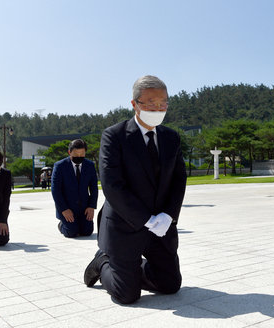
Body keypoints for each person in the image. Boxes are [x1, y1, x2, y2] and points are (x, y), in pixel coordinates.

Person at [83, 75, 187, 304]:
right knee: (126, 295)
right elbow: (112, 186)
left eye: (163, 103)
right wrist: (145, 219)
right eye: (150, 103)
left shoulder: (171, 137)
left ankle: (128, 270)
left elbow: (179, 179)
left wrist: (168, 215)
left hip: (160, 225)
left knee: (170, 285)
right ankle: (103, 262)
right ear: (134, 104)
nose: (158, 108)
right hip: (125, 224)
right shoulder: (114, 136)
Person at [51, 139, 99, 238]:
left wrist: (91, 206)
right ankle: (61, 225)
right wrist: (64, 209)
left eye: (82, 154)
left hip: (84, 208)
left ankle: (79, 224)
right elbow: (56, 191)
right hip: (67, 208)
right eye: (76, 155)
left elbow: (94, 187)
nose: (79, 157)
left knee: (87, 231)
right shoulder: (60, 166)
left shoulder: (90, 165)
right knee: (71, 232)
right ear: (69, 152)